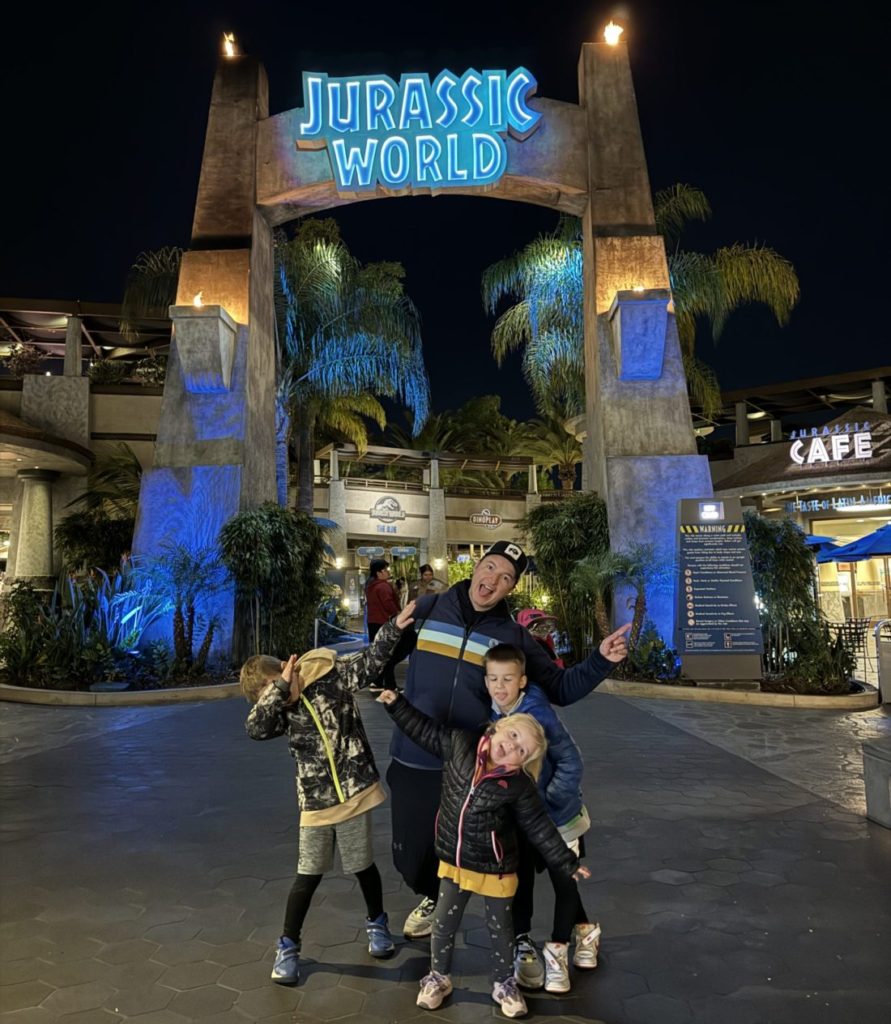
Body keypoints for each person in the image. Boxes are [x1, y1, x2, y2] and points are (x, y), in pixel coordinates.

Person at [385, 539, 630, 943]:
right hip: (414, 755)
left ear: (510, 588)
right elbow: (383, 655)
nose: (493, 580)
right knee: (411, 857)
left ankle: (513, 936)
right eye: (491, 567)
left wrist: (602, 659)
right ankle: (431, 894)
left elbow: (560, 687)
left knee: (490, 854)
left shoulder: (512, 636)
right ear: (476, 567)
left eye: (506, 577)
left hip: (474, 765)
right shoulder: (429, 609)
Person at [378, 684, 590, 1018]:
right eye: (515, 735)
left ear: (524, 764)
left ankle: (504, 983)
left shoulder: (518, 786)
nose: (514, 747)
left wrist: (565, 860)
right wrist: (396, 704)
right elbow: (424, 731)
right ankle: (438, 977)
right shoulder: (460, 744)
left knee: (500, 931)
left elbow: (538, 826)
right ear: (497, 727)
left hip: (495, 869)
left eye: (523, 751)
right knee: (444, 925)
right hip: (455, 863)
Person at [240, 603, 415, 986]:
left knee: (361, 864)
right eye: (273, 694)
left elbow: (369, 663)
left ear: (290, 667)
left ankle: (377, 923)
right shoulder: (278, 710)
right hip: (316, 802)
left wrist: (394, 628)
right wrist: (280, 690)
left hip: (353, 792)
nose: (283, 696)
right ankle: (288, 944)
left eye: (282, 684)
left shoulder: (328, 677)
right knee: (308, 875)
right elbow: (255, 728)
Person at [485, 643, 600, 993]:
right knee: (524, 879)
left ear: (522, 680)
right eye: (492, 678)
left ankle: (557, 953)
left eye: (507, 679)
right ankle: (583, 932)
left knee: (564, 880)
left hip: (559, 818)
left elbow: (571, 762)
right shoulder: (489, 712)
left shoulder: (539, 714)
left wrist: (547, 803)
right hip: (522, 822)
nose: (499, 686)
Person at [364, 558, 401, 690]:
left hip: (372, 622)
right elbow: (389, 604)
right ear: (379, 573)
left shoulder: (370, 586)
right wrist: (399, 614)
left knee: (377, 654)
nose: (387, 572)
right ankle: (390, 686)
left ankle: (377, 682)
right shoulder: (383, 586)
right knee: (387, 654)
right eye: (385, 569)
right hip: (383, 623)